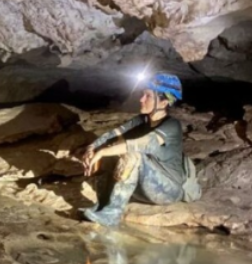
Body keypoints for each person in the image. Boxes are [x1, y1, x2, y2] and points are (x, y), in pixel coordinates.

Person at [78, 73, 187, 227]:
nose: (141, 99)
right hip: (143, 188)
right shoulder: (141, 120)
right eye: (142, 94)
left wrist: (102, 152)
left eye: (148, 96)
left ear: (163, 102)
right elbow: (111, 136)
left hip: (167, 190)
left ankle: (112, 214)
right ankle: (102, 207)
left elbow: (140, 144)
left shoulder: (172, 125)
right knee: (110, 150)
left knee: (131, 155)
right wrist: (92, 149)